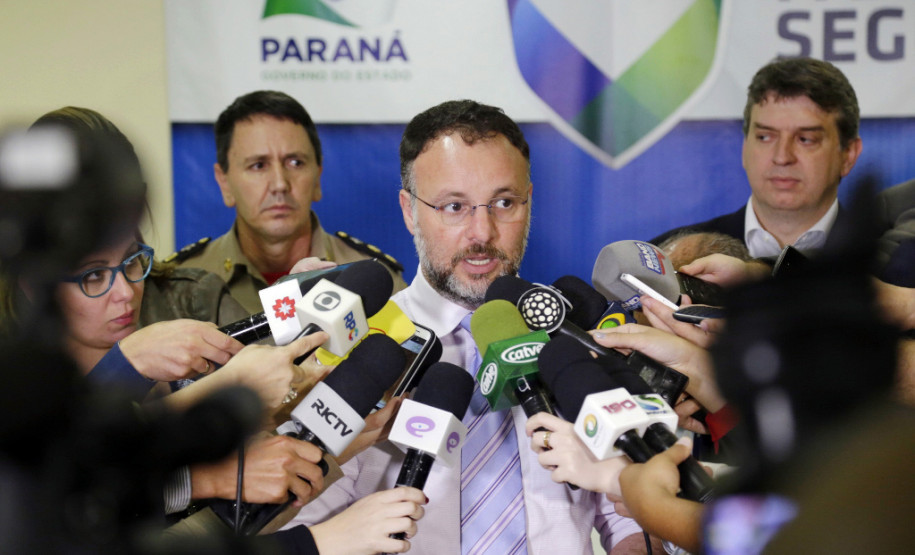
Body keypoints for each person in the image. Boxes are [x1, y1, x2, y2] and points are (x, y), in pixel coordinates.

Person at [288, 100, 651, 553]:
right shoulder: (359, 343)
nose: (482, 232)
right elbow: (311, 519)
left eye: (503, 202)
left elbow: (628, 515)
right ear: (408, 210)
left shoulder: (576, 334)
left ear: (529, 201)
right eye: (454, 206)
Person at [173, 90, 406, 313]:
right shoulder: (180, 284)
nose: (279, 184)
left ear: (318, 176)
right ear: (224, 182)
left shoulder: (373, 280)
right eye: (258, 165)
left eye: (295, 163)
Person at [652, 57, 863, 259]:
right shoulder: (673, 258)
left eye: (805, 139)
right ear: (745, 148)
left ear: (848, 155)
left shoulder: (886, 269)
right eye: (764, 137)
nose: (782, 157)